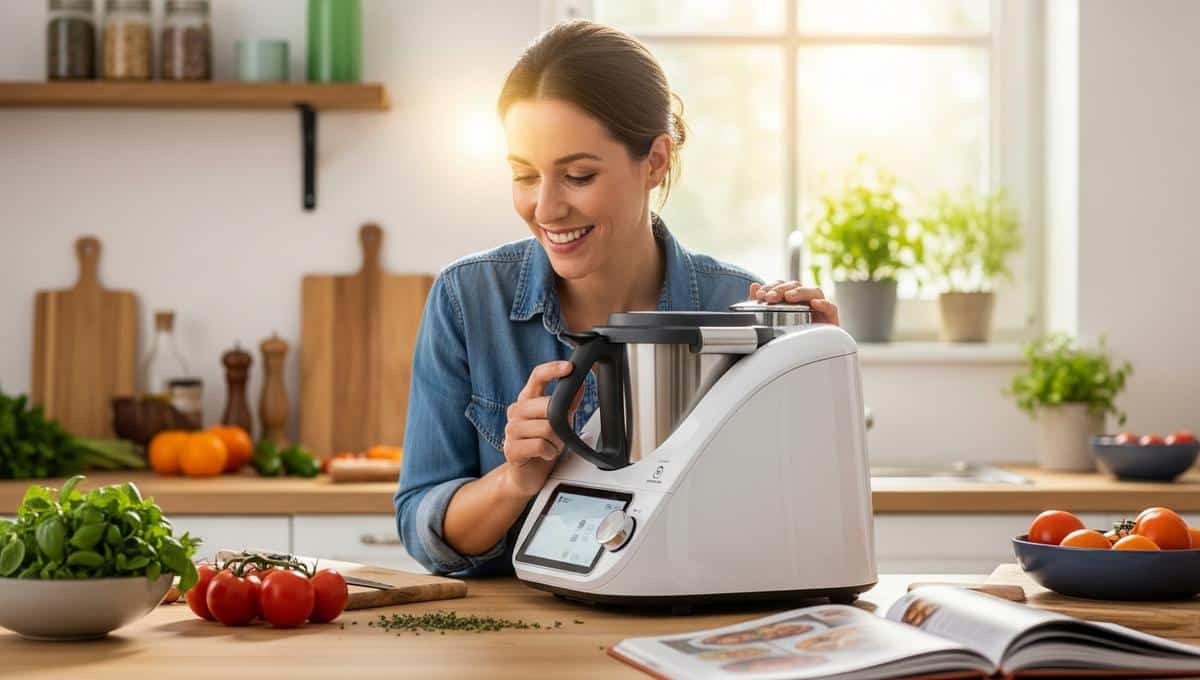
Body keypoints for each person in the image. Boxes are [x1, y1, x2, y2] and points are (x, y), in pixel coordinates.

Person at [394, 20, 839, 576]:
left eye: (578, 175)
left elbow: (795, 521)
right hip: (519, 627)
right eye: (524, 175)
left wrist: (817, 373)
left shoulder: (738, 311)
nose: (546, 209)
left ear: (655, 162)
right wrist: (514, 481)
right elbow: (422, 527)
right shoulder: (467, 299)